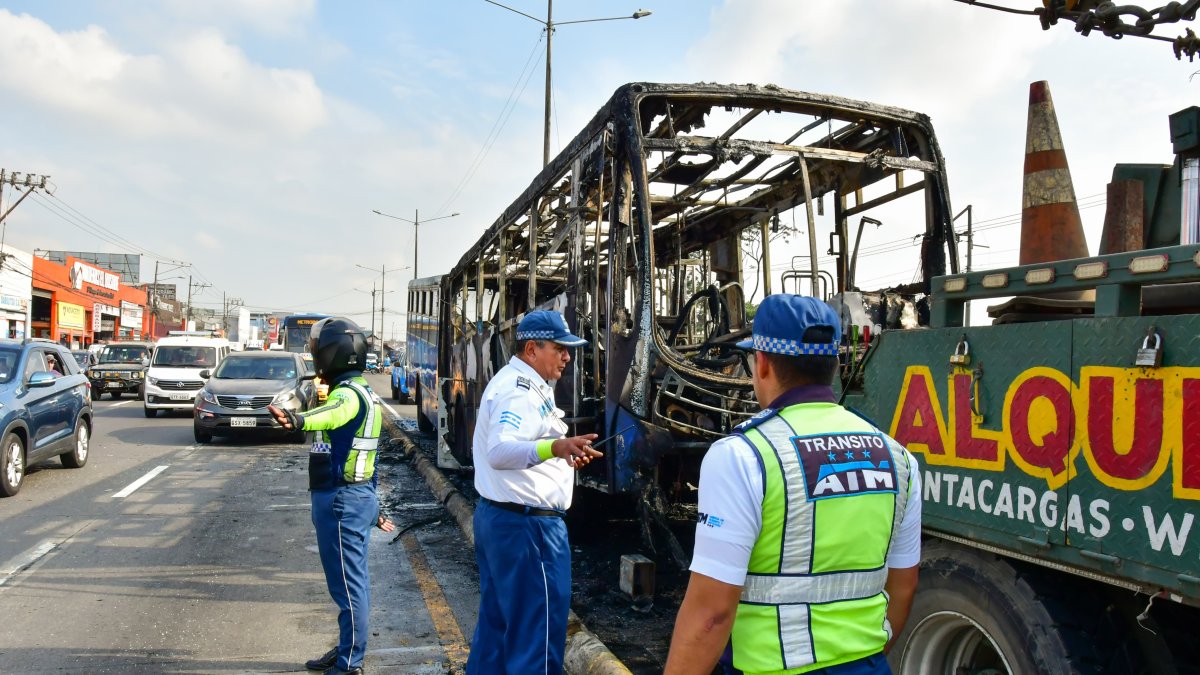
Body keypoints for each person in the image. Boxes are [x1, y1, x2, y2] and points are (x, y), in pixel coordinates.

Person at [664, 294, 922, 675]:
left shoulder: (743, 455)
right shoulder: (897, 457)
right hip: (867, 666)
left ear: (762, 363)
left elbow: (711, 615)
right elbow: (903, 588)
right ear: (834, 365)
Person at [466, 309, 603, 675]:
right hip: (528, 532)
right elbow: (499, 451)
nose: (567, 357)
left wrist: (560, 448)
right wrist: (555, 448)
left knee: (496, 634)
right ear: (531, 349)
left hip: (505, 522)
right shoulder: (519, 392)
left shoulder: (520, 383)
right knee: (537, 639)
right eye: (559, 348)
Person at [268, 317, 396, 675]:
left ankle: (350, 663)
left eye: (318, 350)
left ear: (332, 353)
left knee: (348, 588)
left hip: (341, 500)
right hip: (354, 497)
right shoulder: (362, 388)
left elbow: (333, 413)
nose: (314, 355)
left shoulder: (347, 395)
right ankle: (346, 648)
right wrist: (374, 508)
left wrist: (298, 420)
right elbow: (365, 452)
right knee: (350, 583)